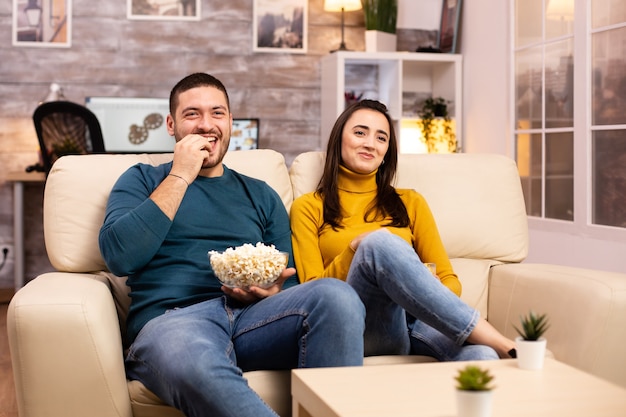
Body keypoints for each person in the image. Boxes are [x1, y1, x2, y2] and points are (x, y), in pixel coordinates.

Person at [98, 73, 365, 417]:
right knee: (193, 361)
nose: (206, 125)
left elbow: (292, 281)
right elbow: (119, 256)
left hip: (254, 319)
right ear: (171, 124)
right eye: (192, 114)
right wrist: (181, 174)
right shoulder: (141, 179)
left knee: (337, 296)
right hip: (174, 322)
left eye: (217, 113)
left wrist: (272, 294)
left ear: (230, 122)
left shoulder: (261, 194)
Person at [290, 99, 517, 361]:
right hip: (359, 325)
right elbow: (313, 292)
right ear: (339, 138)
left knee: (481, 356)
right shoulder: (309, 207)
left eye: (381, 138)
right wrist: (355, 249)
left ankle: (491, 347)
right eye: (360, 132)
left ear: (387, 151)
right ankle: (503, 343)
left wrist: (422, 285)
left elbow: (449, 279)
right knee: (378, 243)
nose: (370, 143)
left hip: (417, 320)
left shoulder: (411, 202)